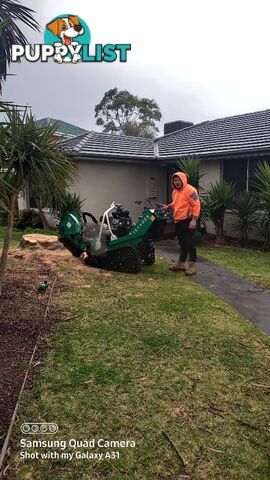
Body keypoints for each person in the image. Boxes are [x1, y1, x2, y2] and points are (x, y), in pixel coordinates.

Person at [162, 172, 201, 276]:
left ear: (183, 179)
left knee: (189, 243)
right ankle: (181, 263)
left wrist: (194, 220)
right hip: (178, 220)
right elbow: (176, 203)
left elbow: (197, 205)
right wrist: (168, 206)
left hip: (188, 220)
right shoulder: (175, 191)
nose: (177, 182)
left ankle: (192, 265)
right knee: (182, 242)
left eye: (179, 180)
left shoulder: (191, 190)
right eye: (175, 180)